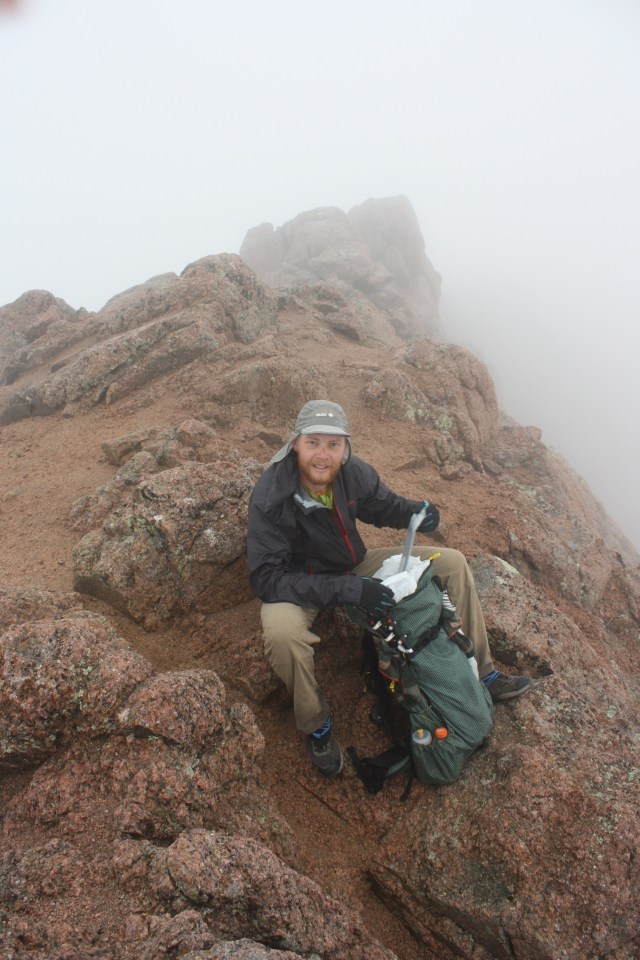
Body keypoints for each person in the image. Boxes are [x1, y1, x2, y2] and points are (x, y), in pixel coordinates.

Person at [247, 400, 531, 778]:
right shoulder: (272, 495)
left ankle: (484, 674)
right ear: (295, 442)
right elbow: (266, 578)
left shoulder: (352, 472)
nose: (323, 455)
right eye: (313, 442)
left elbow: (382, 506)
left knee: (451, 563)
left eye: (333, 444)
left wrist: (417, 512)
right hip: (297, 583)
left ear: (345, 447)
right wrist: (350, 590)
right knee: (283, 635)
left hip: (353, 566)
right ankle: (316, 726)